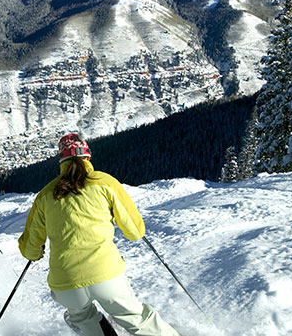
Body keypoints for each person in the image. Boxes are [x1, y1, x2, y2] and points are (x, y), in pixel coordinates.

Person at [18, 134, 180, 336]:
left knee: (84, 320)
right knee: (137, 320)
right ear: (87, 156)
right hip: (107, 276)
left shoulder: (45, 195)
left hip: (66, 284)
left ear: (61, 160)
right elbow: (135, 232)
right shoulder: (104, 183)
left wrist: (36, 250)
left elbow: (29, 251)